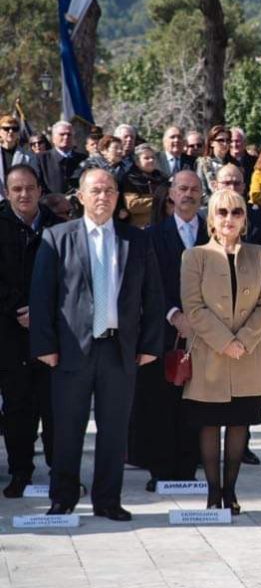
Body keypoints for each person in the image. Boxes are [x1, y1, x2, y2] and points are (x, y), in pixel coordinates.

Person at [30, 167, 164, 520]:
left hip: (119, 350)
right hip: (71, 350)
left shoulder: (136, 240)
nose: (103, 196)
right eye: (96, 190)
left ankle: (108, 500)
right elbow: (42, 296)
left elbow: (153, 295)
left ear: (118, 197)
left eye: (109, 190)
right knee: (67, 427)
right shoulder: (57, 237)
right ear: (81, 197)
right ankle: (63, 497)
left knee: (114, 430)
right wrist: (45, 345)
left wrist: (150, 345)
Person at [180, 188, 261, 514]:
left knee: (238, 425)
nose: (229, 219)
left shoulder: (259, 255)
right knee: (209, 425)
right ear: (211, 219)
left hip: (248, 356)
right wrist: (226, 342)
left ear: (245, 219)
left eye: (236, 212)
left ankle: (230, 493)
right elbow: (193, 307)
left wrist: (243, 341)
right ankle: (212, 494)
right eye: (222, 212)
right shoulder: (194, 256)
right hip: (210, 355)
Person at [131, 170, 206, 491]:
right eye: (182, 188)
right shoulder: (152, 235)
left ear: (201, 195)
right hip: (163, 332)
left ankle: (188, 471)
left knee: (194, 403)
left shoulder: (213, 233)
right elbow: (149, 283)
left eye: (194, 189)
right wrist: (175, 315)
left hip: (204, 334)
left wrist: (199, 319)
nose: (188, 194)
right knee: (161, 403)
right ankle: (161, 471)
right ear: (172, 194)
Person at [0, 165, 59, 497]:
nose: (24, 194)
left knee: (54, 407)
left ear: (39, 190)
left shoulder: (58, 226)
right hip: (9, 332)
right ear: (7, 192)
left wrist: (41, 312)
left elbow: (70, 277)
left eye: (29, 188)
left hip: (51, 332)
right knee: (18, 406)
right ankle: (20, 472)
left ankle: (59, 472)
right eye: (17, 189)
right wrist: (18, 310)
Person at [215, 164, 261, 249]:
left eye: (237, 184)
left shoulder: (260, 221)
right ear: (215, 186)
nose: (232, 188)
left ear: (243, 187)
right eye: (227, 183)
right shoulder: (203, 219)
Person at [121, 145, 170, 228]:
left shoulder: (162, 177)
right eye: (146, 158)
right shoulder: (131, 178)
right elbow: (133, 205)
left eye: (153, 157)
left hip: (162, 225)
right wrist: (159, 200)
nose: (151, 160)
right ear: (137, 161)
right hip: (140, 227)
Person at [35, 120, 85, 195]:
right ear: (53, 138)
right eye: (62, 134)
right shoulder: (40, 159)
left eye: (69, 134)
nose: (66, 137)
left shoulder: (83, 159)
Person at [196, 125, 236, 200]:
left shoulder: (234, 164)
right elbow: (201, 190)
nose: (225, 144)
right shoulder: (203, 163)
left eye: (227, 140)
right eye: (221, 140)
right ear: (211, 143)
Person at [0, 114, 31, 200]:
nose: (10, 131)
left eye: (15, 129)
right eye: (6, 129)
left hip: (20, 200)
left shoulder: (28, 156)